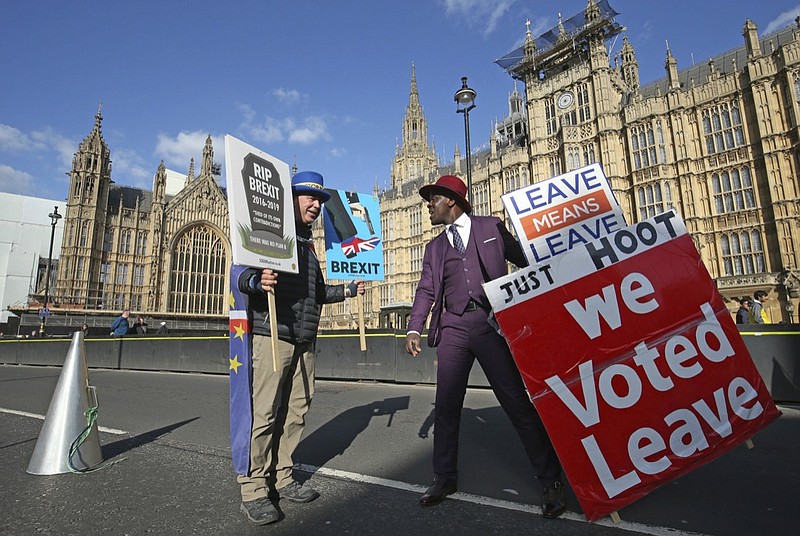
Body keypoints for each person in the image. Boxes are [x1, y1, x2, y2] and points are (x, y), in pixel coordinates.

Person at [404, 175, 565, 518]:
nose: (428, 205)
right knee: (446, 407)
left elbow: (526, 258)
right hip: (453, 327)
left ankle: (551, 481)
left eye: (433, 199)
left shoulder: (490, 226)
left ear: (451, 200)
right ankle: (444, 477)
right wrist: (414, 327)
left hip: (491, 324)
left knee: (517, 404)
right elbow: (426, 291)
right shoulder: (434, 248)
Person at [232, 170, 365, 526]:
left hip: (305, 337)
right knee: (264, 414)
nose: (316, 205)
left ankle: (283, 475)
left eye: (320, 200)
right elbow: (241, 275)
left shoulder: (307, 245)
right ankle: (254, 488)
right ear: (289, 199)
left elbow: (317, 294)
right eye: (309, 197)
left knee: (296, 411)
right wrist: (257, 281)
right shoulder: (270, 235)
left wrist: (349, 291)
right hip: (272, 333)